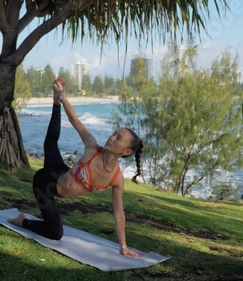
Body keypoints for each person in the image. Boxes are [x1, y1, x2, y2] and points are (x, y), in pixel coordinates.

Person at [9, 77, 143, 258]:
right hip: (45, 182)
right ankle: (23, 221)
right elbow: (75, 121)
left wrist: (123, 246)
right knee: (55, 234)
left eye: (118, 138)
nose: (111, 138)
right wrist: (63, 97)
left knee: (51, 144)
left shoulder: (116, 179)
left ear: (126, 151)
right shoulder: (92, 147)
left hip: (60, 172)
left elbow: (119, 212)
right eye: (114, 133)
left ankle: (54, 102)